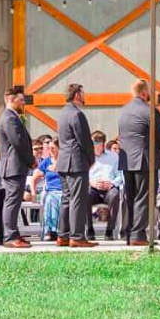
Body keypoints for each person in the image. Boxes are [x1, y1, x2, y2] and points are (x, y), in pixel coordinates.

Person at [117, 78, 158, 246]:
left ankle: (130, 232)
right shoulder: (149, 111)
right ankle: (138, 234)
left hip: (127, 160)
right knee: (144, 197)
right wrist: (158, 151)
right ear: (144, 92)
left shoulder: (123, 111)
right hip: (144, 159)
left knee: (131, 197)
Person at [56, 83, 97, 248]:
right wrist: (91, 158)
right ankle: (77, 237)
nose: (85, 95)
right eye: (83, 92)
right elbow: (85, 140)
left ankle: (63, 235)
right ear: (77, 95)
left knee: (66, 199)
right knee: (78, 200)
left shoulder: (63, 114)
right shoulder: (77, 114)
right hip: (76, 162)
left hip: (64, 161)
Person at [0, 85, 34, 248]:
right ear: (11, 100)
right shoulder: (9, 117)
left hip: (16, 166)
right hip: (13, 165)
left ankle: (14, 234)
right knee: (12, 201)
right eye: (20, 100)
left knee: (14, 201)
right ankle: (10, 236)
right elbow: (18, 142)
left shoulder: (12, 116)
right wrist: (31, 160)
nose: (23, 103)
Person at [88, 130, 123, 241]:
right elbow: (82, 176)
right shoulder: (86, 157)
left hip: (109, 189)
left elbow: (120, 176)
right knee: (84, 195)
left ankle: (110, 230)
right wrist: (91, 182)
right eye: (94, 144)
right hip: (93, 188)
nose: (97, 147)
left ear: (103, 144)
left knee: (115, 194)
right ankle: (89, 229)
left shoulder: (113, 157)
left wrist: (112, 183)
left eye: (99, 144)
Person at [32, 140, 63, 240]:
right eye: (49, 148)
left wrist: (58, 168)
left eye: (53, 148)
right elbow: (34, 179)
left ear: (59, 148)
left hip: (64, 190)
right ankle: (50, 231)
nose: (51, 150)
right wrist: (33, 193)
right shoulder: (46, 162)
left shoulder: (65, 161)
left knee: (60, 198)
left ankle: (60, 231)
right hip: (50, 190)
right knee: (50, 199)